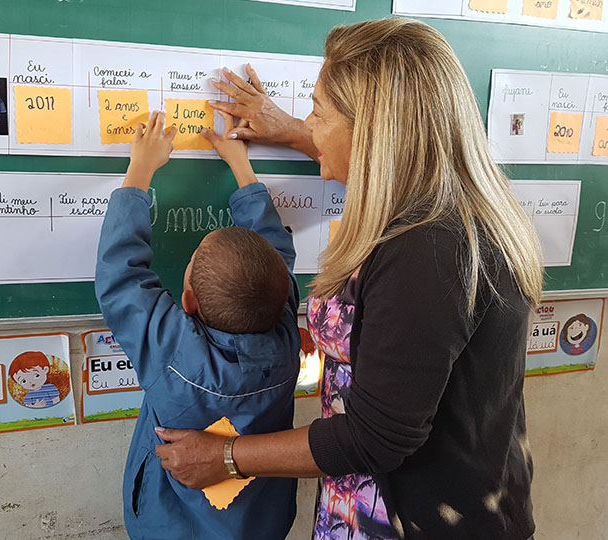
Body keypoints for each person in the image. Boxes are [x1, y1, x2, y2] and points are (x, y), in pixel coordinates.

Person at [155, 18, 542, 540]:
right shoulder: (441, 201)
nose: (311, 127)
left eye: (318, 113)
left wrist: (226, 457)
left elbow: (375, 437)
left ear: (374, 134)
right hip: (395, 502)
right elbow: (381, 165)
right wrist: (290, 128)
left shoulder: (429, 248)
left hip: (419, 520)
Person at [94, 110, 301, 539]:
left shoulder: (173, 351)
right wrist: (241, 165)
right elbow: (276, 253)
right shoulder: (285, 336)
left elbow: (120, 275)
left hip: (171, 526)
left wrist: (140, 168)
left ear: (185, 301)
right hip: (260, 525)